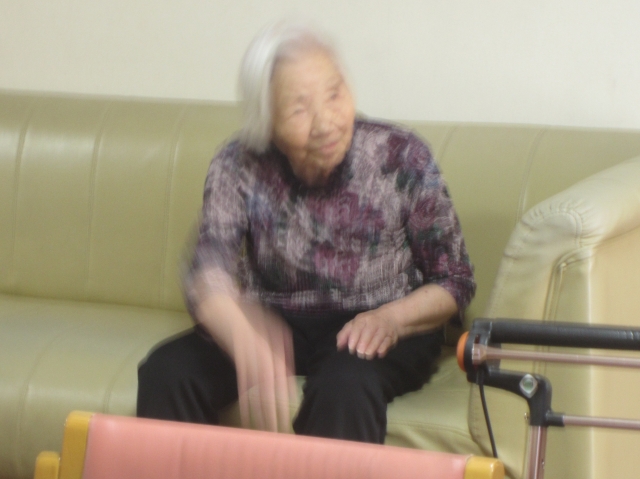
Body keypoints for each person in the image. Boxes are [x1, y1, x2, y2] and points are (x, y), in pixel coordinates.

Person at [137, 20, 475, 444]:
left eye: (334, 94)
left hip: (379, 320)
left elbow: (454, 279)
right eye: (299, 109)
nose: (325, 123)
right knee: (168, 371)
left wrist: (392, 318)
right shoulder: (238, 163)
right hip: (276, 320)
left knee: (344, 387)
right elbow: (209, 264)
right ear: (266, 120)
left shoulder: (400, 156)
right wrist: (242, 334)